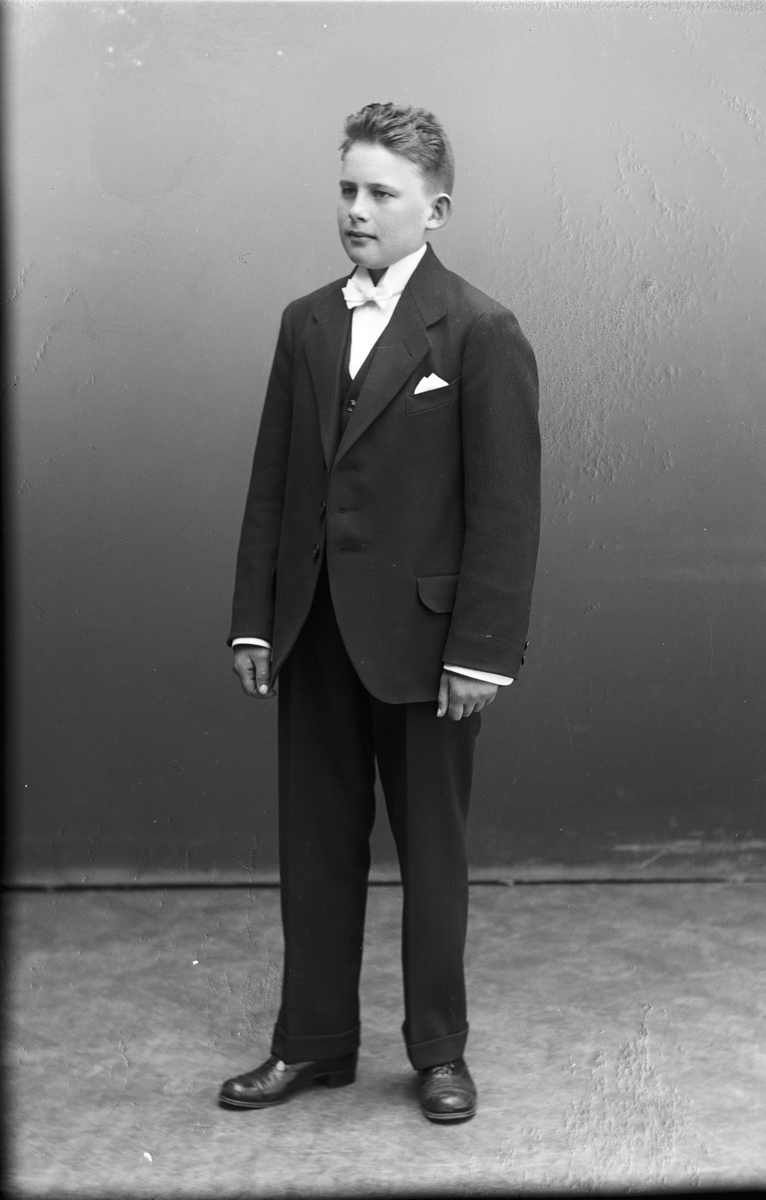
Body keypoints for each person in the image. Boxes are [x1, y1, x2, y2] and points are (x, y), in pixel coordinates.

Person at [219, 103, 541, 1123]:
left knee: (432, 855)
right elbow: (273, 482)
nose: (356, 210)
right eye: (347, 189)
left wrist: (481, 651)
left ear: (433, 211)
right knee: (313, 846)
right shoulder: (306, 322)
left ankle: (438, 1051)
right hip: (314, 631)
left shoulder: (480, 331)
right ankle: (311, 1044)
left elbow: (506, 509)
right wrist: (256, 619)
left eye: (380, 194)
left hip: (427, 645)